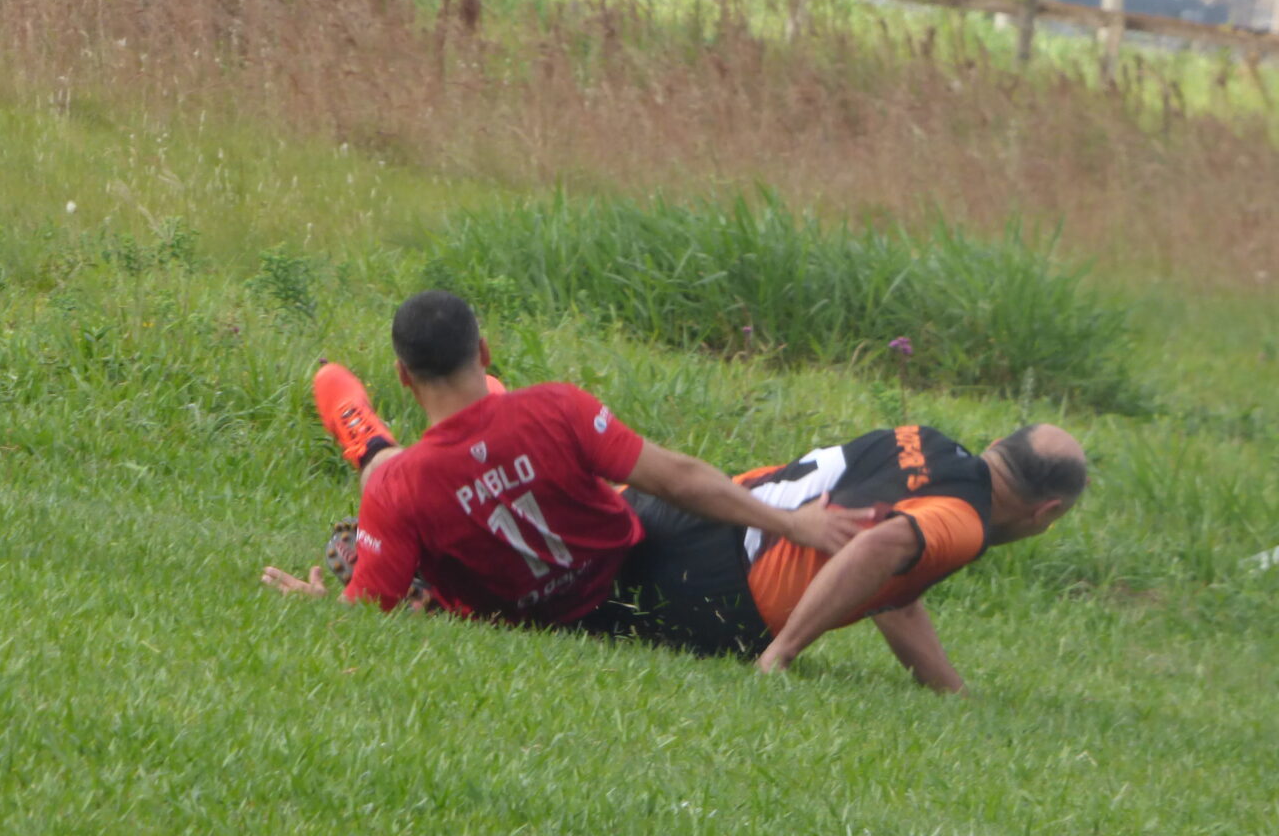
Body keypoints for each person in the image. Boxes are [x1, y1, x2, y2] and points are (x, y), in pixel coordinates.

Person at [261, 290, 861, 627]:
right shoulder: (557, 407)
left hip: (501, 592)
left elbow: (368, 608)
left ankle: (365, 437)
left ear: (402, 376)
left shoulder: (398, 489)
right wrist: (790, 523)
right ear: (485, 350)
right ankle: (421, 423)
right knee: (474, 447)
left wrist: (322, 607)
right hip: (618, 565)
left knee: (385, 473)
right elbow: (677, 477)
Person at [621, 422, 1087, 692]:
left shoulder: (920, 441)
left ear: (996, 446)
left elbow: (891, 591)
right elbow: (877, 548)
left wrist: (953, 693)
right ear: (1045, 511)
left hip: (698, 504)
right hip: (708, 587)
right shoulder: (965, 521)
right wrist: (781, 654)